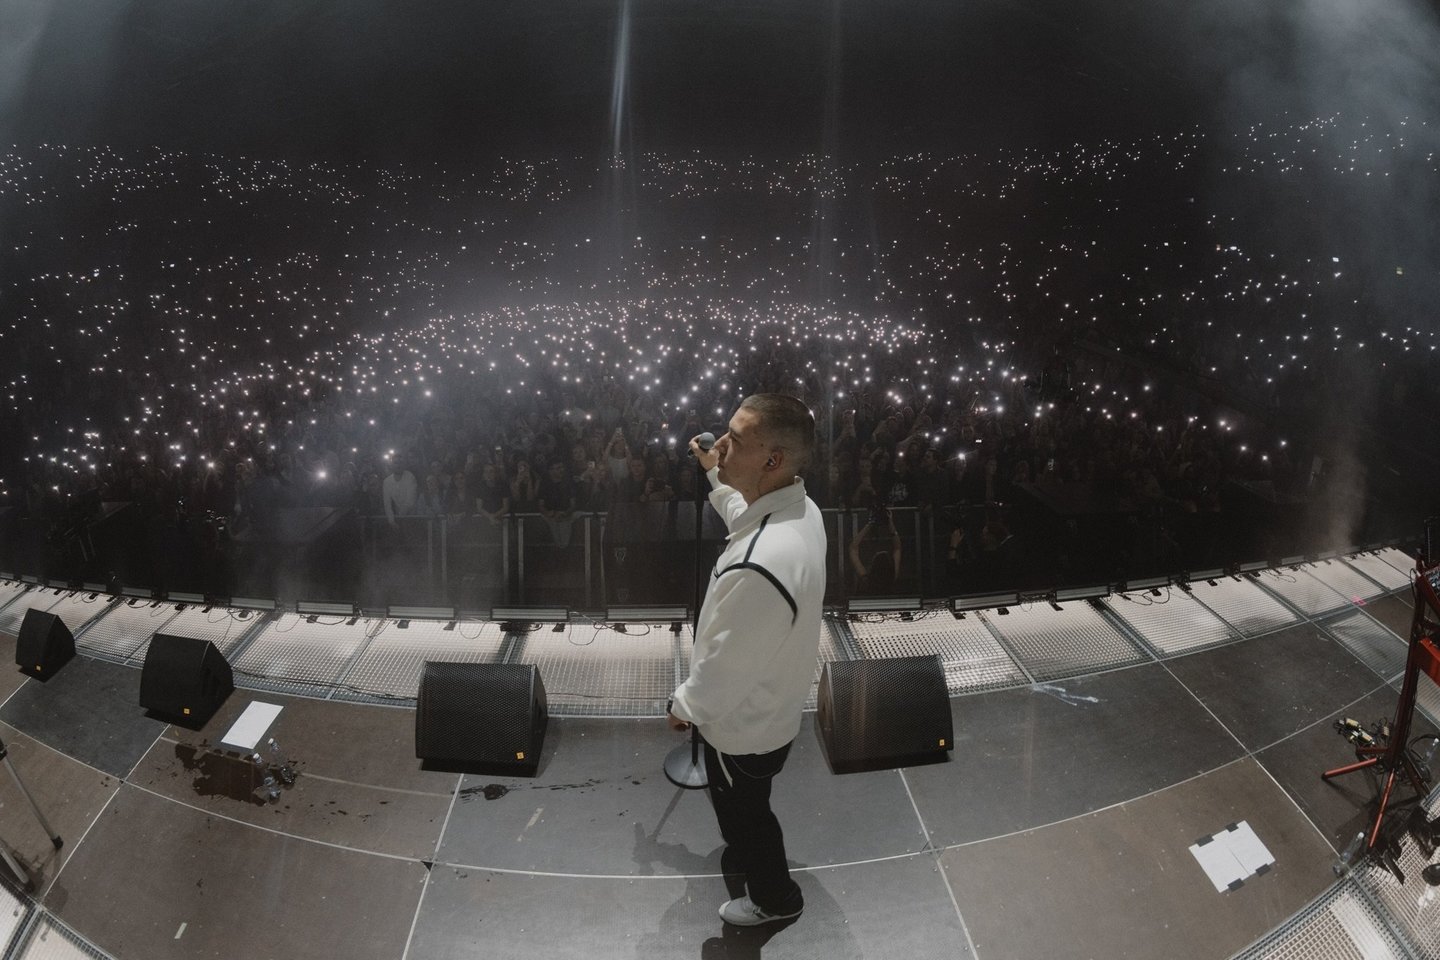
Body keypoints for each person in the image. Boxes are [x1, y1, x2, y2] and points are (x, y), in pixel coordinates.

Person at [667, 393, 826, 928]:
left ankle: (776, 899)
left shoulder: (761, 564)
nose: (720, 444)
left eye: (734, 440)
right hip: (772, 712)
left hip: (742, 728)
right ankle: (747, 852)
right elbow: (745, 515)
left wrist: (683, 706)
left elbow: (724, 669)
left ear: (772, 460)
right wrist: (715, 475)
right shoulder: (800, 512)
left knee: (749, 815)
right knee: (750, 801)